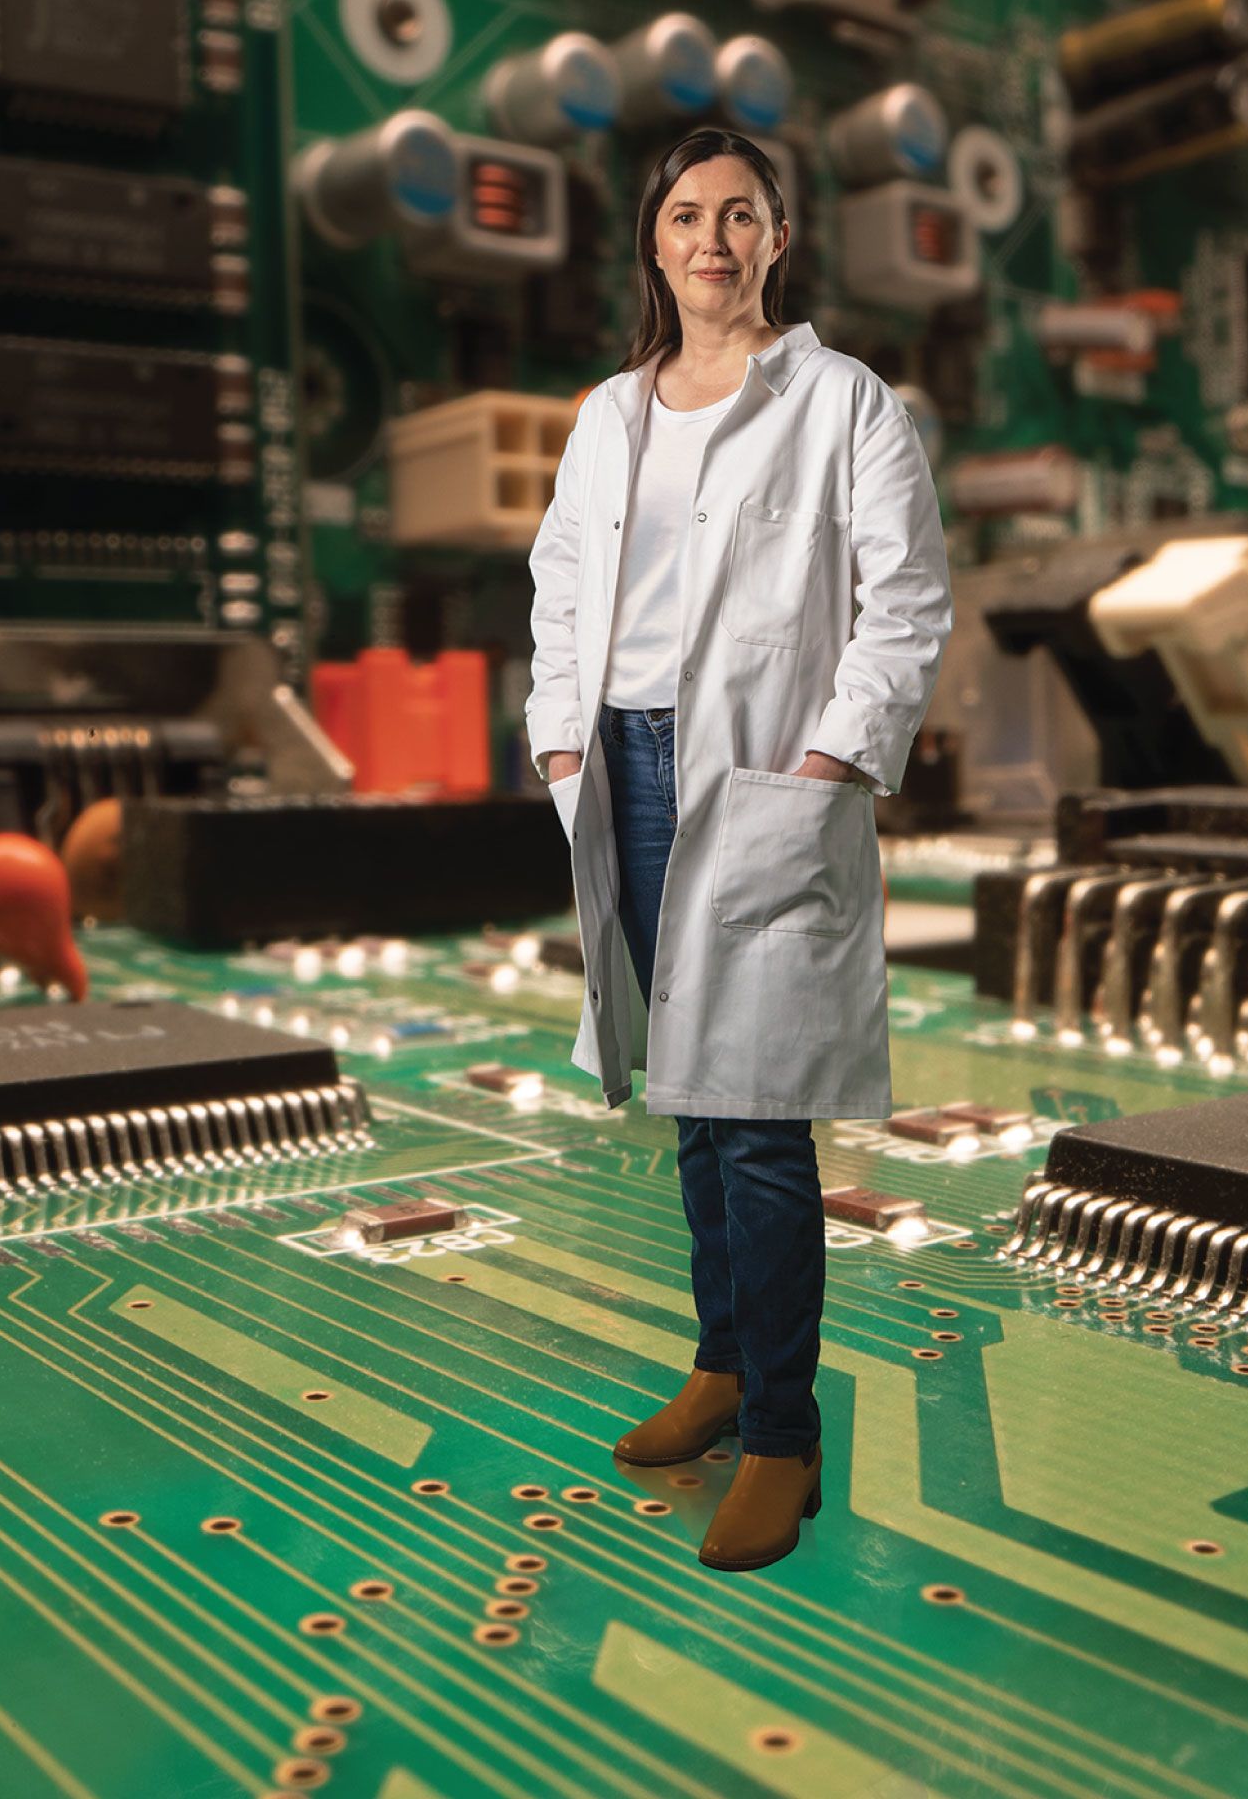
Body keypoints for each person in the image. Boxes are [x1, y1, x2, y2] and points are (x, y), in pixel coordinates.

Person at [523, 127, 952, 1573]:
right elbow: (561, 590)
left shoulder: (844, 403)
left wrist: (825, 765)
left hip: (761, 776)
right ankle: (718, 1368)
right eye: (688, 216)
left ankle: (784, 1431)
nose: (713, 241)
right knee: (691, 1101)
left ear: (779, 240)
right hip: (625, 765)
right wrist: (562, 748)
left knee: (762, 1122)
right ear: (654, 244)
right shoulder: (605, 416)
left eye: (742, 217)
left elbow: (903, 606)